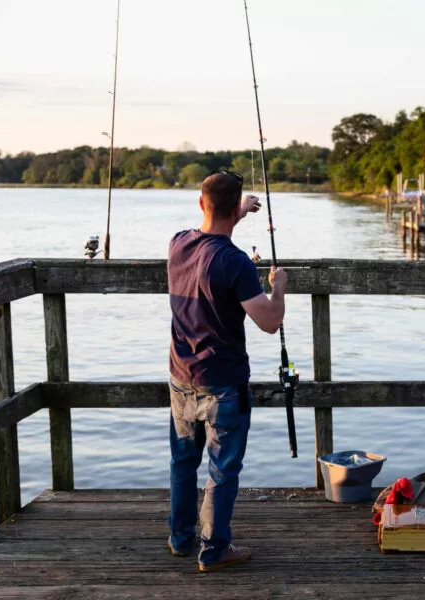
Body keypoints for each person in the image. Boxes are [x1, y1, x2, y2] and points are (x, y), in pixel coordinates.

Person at [166, 171, 288, 571]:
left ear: (201, 204)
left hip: (181, 378)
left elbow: (211, 236)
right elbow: (269, 322)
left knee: (184, 462)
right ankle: (214, 550)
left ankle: (181, 538)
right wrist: (278, 286)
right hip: (223, 384)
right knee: (222, 470)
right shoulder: (235, 263)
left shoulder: (178, 244)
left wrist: (237, 214)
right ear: (235, 206)